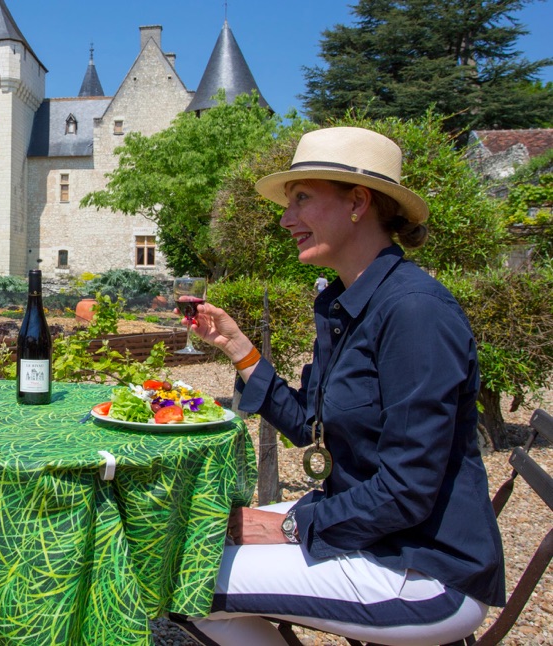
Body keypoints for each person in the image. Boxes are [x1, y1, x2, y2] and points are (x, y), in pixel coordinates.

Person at [183, 127, 504, 645]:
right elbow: (310, 426)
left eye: (302, 199)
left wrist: (291, 527)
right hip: (372, 535)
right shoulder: (346, 304)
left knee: (183, 578)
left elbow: (407, 490)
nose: (287, 220)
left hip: (421, 569)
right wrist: (237, 348)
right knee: (188, 545)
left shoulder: (414, 312)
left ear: (358, 202)